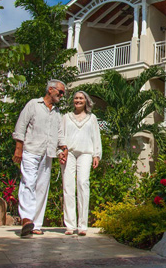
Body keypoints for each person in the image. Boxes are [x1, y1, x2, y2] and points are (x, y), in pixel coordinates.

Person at [12, 79, 69, 237]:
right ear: (50, 89)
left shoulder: (57, 112)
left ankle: (35, 224)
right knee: (28, 182)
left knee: (42, 188)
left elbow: (59, 133)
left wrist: (63, 148)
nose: (62, 95)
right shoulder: (33, 104)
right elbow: (21, 126)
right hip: (31, 150)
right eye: (60, 91)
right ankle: (26, 219)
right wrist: (19, 148)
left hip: (48, 153)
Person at [61, 90, 102, 236]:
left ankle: (83, 225)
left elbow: (96, 137)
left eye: (81, 98)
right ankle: (70, 225)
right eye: (76, 98)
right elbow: (61, 136)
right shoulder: (66, 117)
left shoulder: (92, 118)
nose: (78, 100)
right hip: (69, 153)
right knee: (68, 186)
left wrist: (96, 154)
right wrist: (60, 151)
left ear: (86, 101)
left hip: (86, 153)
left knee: (83, 184)